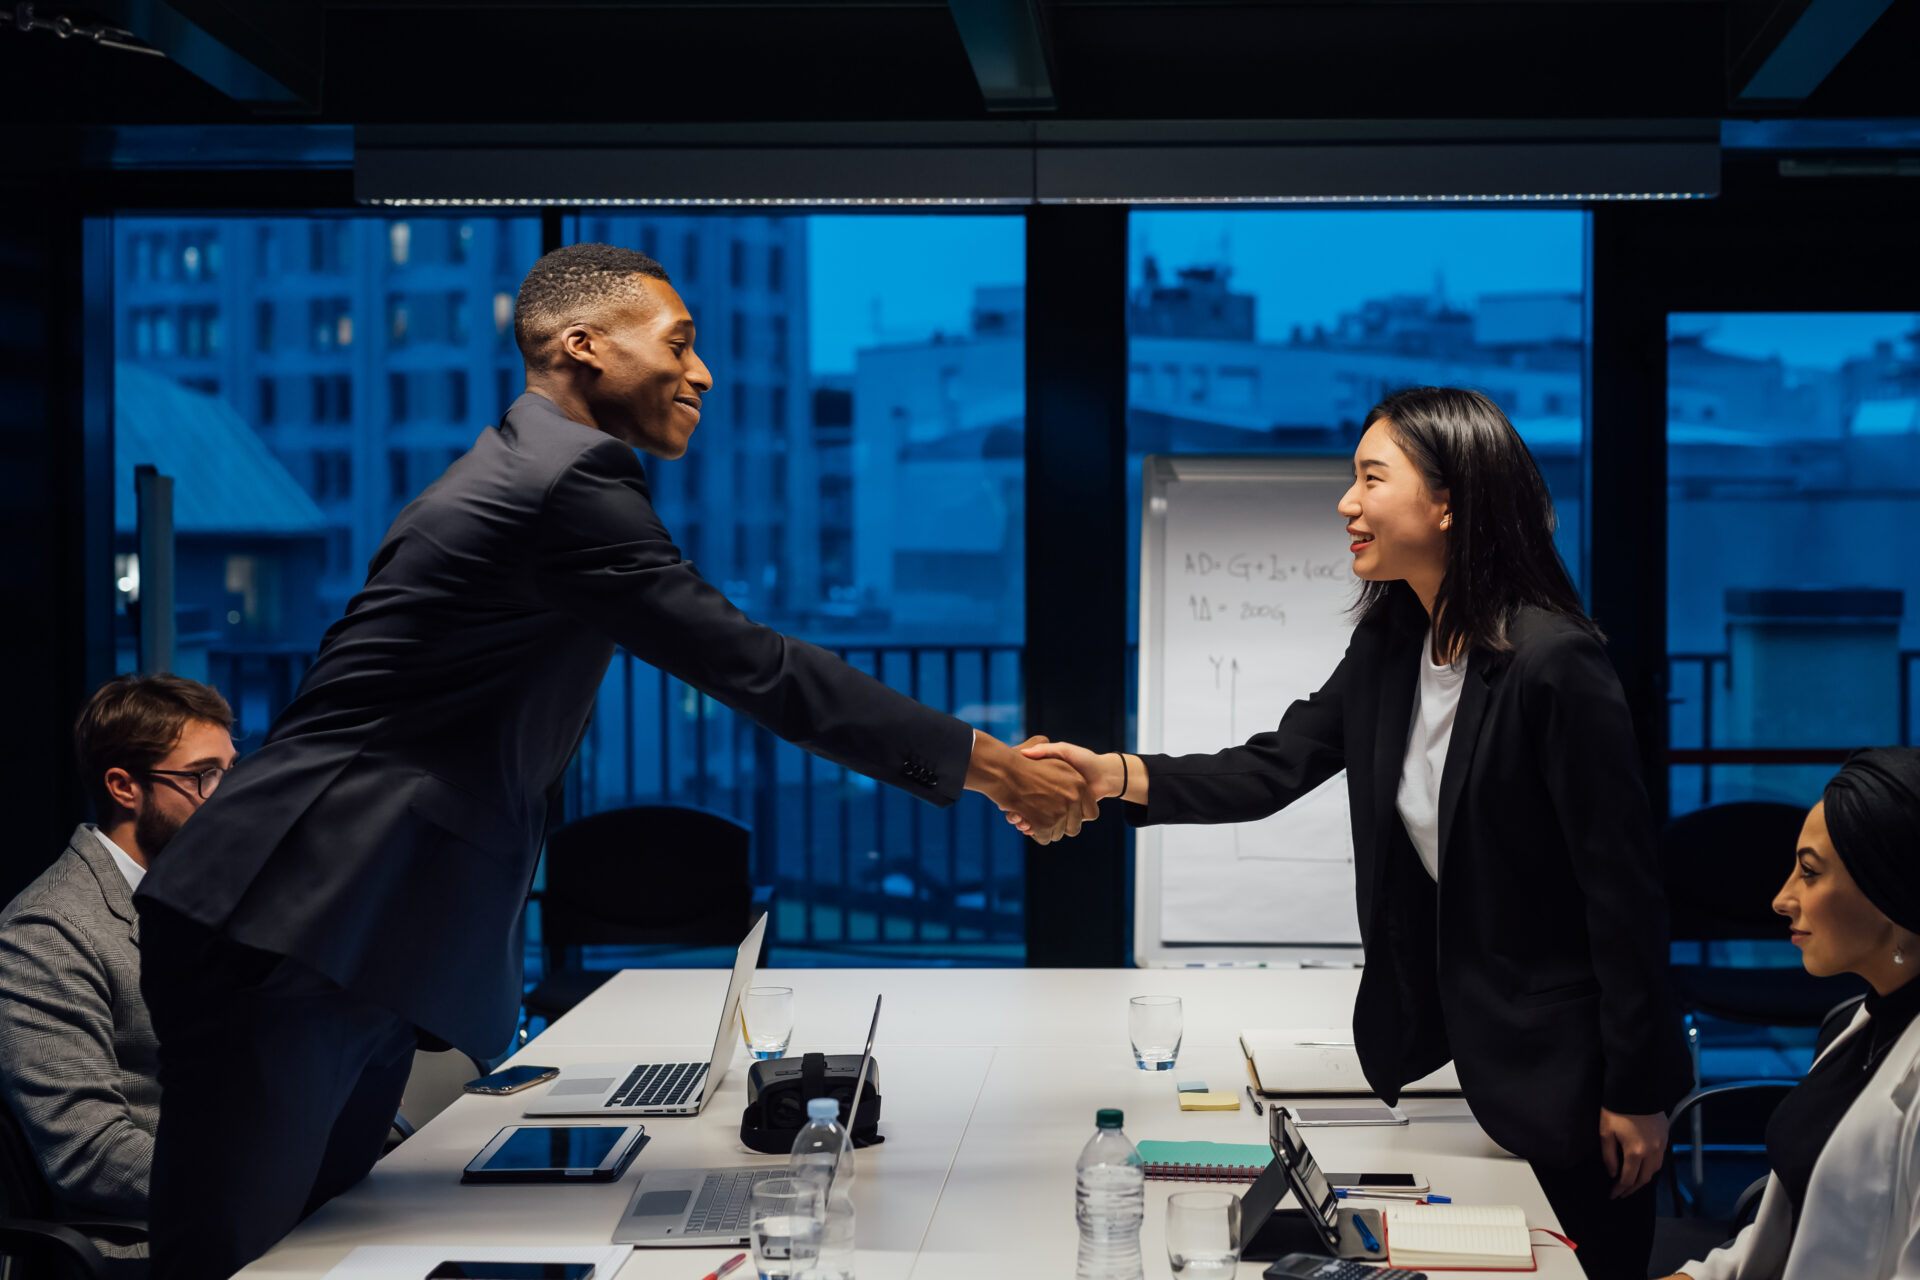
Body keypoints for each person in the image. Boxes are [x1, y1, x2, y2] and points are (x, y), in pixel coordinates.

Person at [133, 242, 1095, 1280]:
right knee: (239, 1261)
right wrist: (989, 762)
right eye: (678, 343)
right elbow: (753, 664)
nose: (704, 373)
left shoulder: (517, 466)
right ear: (582, 347)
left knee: (321, 1249)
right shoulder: (565, 479)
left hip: (341, 916)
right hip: (294, 912)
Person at [1019, 387, 1691, 1279]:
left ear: (1447, 501)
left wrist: (1640, 1093)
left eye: (1372, 478)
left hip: (1574, 1081)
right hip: (1475, 1064)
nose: (1347, 503)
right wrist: (1113, 777)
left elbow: (1626, 897)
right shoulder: (1394, 645)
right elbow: (1272, 767)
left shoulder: (1553, 664)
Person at [0, 675, 236, 1270]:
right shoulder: (46, 932)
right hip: (153, 1245)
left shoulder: (212, 893)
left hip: (258, 1208)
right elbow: (90, 1150)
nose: (229, 799)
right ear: (124, 787)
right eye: (205, 777)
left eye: (234, 772)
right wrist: (257, 1176)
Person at [1659, 748, 1920, 1280]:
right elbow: (1807, 1215)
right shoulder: (1861, 1024)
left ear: (1892, 892)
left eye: (1809, 873)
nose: (1781, 899)